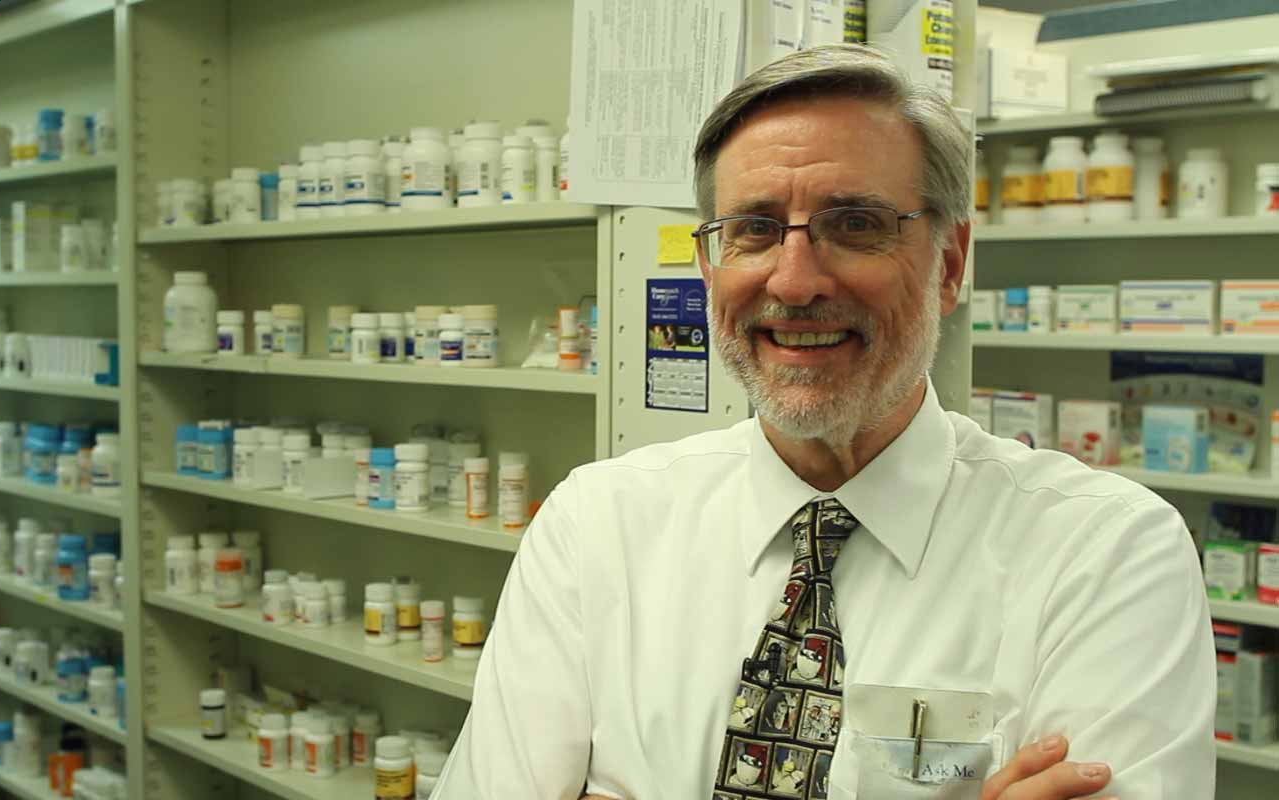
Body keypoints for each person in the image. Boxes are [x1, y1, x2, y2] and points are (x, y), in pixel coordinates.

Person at [431, 44, 1215, 799]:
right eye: (754, 230)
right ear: (710, 266)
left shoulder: (1108, 552)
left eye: (856, 225)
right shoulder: (595, 524)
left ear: (948, 265)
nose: (796, 281)